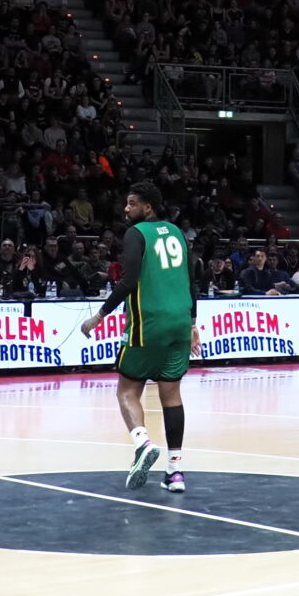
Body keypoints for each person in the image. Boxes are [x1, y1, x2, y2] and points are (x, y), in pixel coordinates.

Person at [79, 183, 195, 493]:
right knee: (172, 396)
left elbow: (129, 280)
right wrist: (193, 323)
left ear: (148, 207)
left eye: (132, 203)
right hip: (180, 322)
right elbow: (191, 279)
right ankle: (175, 472)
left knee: (127, 391)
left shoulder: (137, 233)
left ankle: (143, 443)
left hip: (150, 322)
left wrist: (100, 315)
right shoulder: (177, 232)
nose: (126, 209)